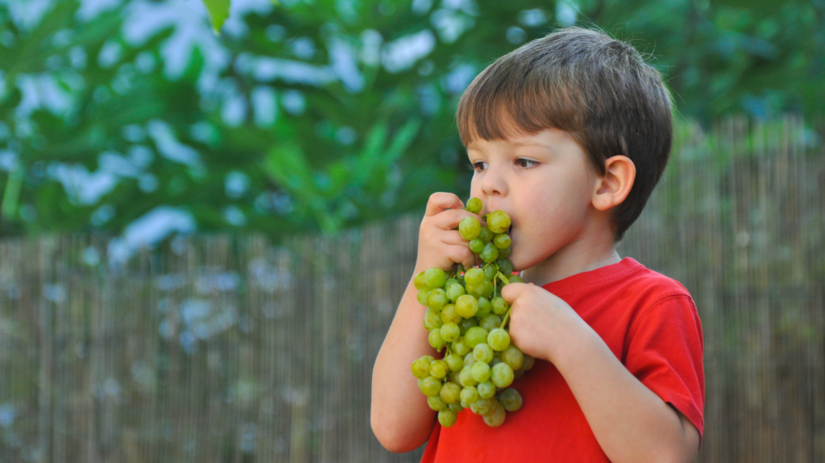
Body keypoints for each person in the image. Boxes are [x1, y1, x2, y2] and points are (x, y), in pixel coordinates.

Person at [371, 25, 704, 463]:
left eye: (524, 160)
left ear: (607, 182)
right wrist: (424, 275)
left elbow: (665, 456)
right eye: (479, 162)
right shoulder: (473, 301)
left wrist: (570, 342)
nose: (488, 184)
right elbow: (393, 429)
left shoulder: (653, 303)